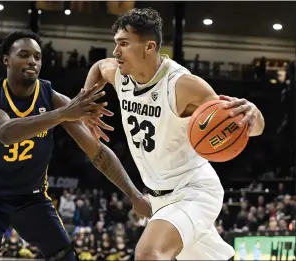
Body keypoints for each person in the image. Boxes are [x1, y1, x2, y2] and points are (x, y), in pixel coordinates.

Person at [83, 8, 265, 260]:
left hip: (193, 190)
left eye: (123, 44)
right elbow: (99, 67)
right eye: (116, 44)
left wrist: (253, 114)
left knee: (148, 253)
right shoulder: (120, 74)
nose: (116, 52)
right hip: (159, 197)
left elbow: (248, 128)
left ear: (149, 47)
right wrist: (87, 102)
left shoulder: (181, 85)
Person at [0, 31, 151, 261]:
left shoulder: (52, 98)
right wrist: (62, 114)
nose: (33, 61)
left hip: (31, 199)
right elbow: (5, 133)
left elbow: (98, 153)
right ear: (6, 59)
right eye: (24, 55)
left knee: (66, 256)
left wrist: (134, 195)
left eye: (38, 57)